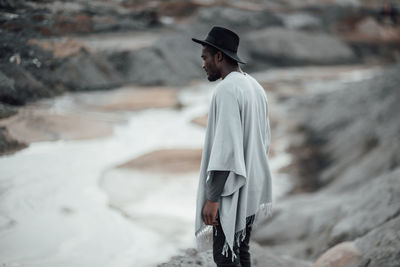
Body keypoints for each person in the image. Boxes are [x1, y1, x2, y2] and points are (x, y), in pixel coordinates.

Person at [192, 26, 273, 267]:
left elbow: (226, 149)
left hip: (232, 188)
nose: (203, 64)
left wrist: (213, 198)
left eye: (205, 58)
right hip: (254, 184)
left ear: (219, 56)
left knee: (224, 255)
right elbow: (264, 140)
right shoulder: (255, 87)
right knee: (241, 249)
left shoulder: (226, 89)